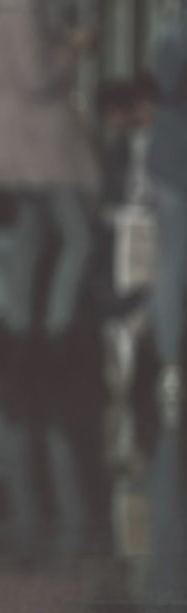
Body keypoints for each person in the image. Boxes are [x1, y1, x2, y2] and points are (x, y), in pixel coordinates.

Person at [0, 0, 100, 349]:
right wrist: (73, 46)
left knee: (30, 234)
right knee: (79, 237)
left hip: (20, 141)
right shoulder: (24, 8)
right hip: (42, 141)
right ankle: (58, 327)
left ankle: (19, 326)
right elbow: (35, 74)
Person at [147, 1, 187, 406]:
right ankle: (170, 363)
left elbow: (163, 82)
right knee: (172, 266)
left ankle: (169, 364)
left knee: (170, 265)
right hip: (178, 164)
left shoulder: (173, 29)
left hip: (173, 162)